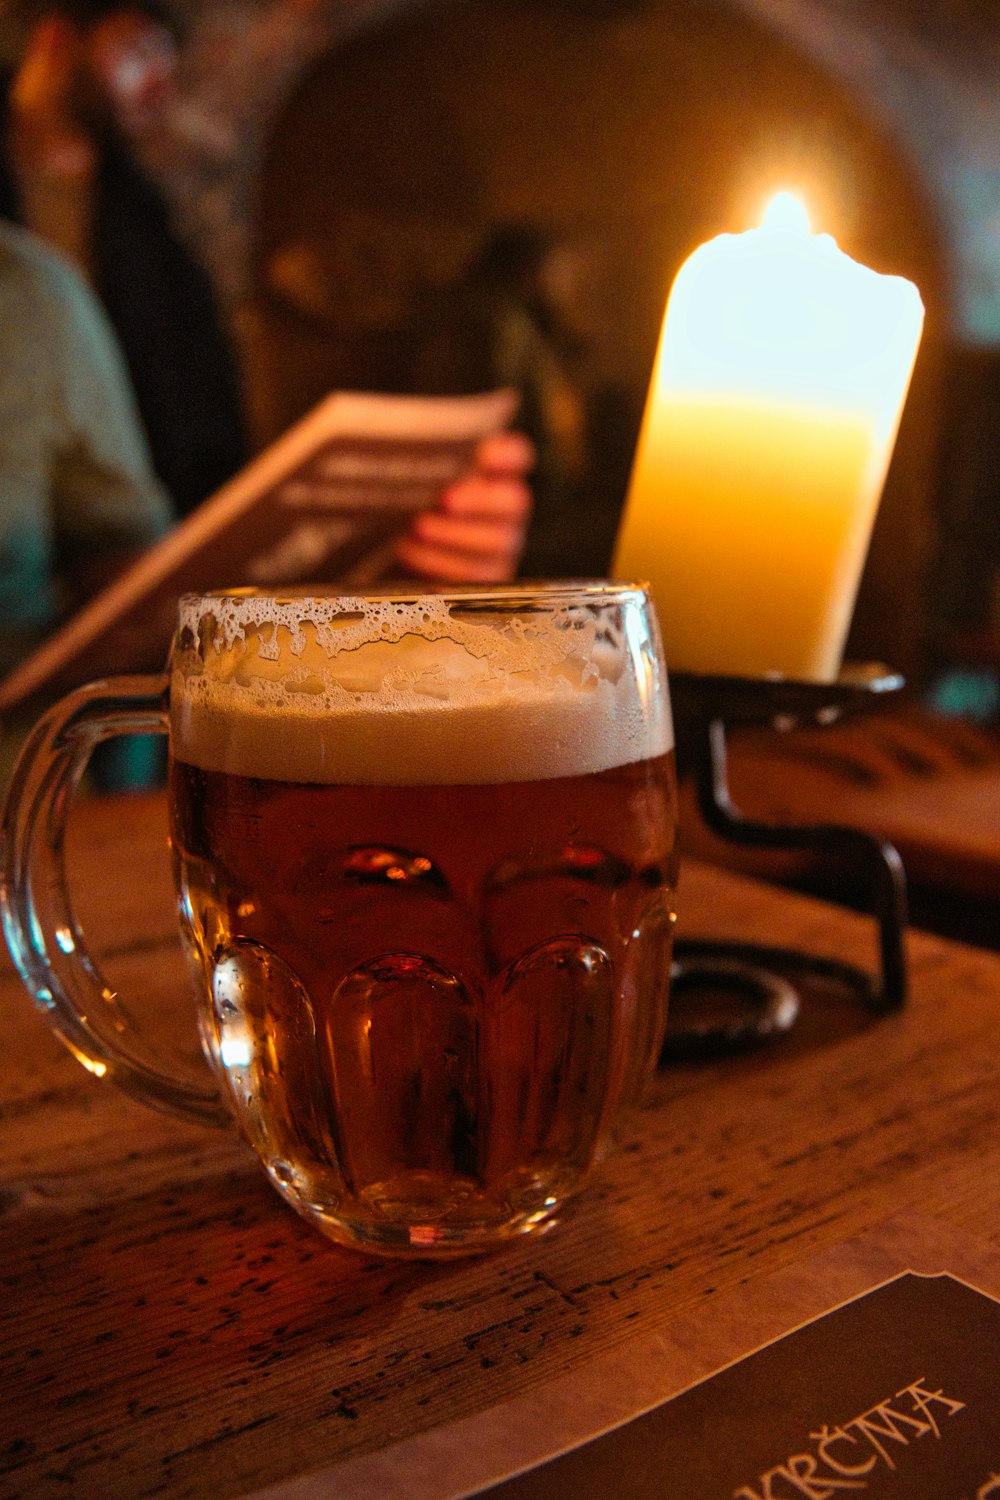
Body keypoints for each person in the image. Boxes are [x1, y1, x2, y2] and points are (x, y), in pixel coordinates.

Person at [0, 0, 250, 518]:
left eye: (168, 64)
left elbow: (203, 429)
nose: (158, 86)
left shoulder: (154, 235)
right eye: (136, 54)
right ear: (56, 43)